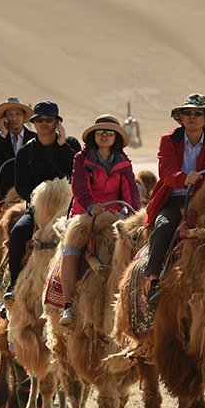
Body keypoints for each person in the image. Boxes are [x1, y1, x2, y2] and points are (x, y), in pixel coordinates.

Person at [143, 94, 205, 304]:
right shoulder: (168, 141)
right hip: (175, 199)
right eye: (188, 113)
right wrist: (184, 178)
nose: (192, 117)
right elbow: (166, 171)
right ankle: (154, 279)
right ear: (181, 117)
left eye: (198, 113)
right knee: (164, 226)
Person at [59, 115, 142, 324]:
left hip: (115, 215)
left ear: (116, 138)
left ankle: (135, 301)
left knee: (137, 246)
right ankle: (67, 304)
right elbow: (79, 187)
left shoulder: (123, 162)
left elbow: (131, 190)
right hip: (85, 213)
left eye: (109, 133)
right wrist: (90, 206)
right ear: (93, 136)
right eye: (101, 132)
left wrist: (133, 213)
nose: (104, 136)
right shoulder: (81, 158)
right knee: (71, 248)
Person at [2, 101, 80, 306]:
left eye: (49, 120)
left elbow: (77, 173)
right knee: (18, 232)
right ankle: (13, 283)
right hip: (37, 208)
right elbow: (21, 186)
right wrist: (40, 200)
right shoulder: (25, 152)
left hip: (67, 208)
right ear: (34, 123)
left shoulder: (71, 145)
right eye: (40, 120)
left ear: (57, 123)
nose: (45, 123)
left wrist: (63, 147)